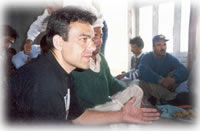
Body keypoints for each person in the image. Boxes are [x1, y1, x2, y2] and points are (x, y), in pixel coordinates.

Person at [8, 6, 160, 124]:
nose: (93, 47)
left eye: (93, 38)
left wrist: (121, 115)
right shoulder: (44, 83)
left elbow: (79, 117)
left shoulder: (64, 72)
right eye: (83, 39)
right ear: (58, 42)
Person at [71, 16, 158, 120]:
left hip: (106, 104)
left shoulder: (101, 58)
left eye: (101, 36)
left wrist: (130, 96)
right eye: (94, 37)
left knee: (136, 90)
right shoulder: (76, 62)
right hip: (90, 112)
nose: (99, 41)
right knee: (117, 107)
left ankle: (130, 121)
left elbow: (111, 83)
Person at [139, 34, 189, 105]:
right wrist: (160, 80)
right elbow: (142, 71)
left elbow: (184, 71)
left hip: (166, 87)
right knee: (143, 82)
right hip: (153, 86)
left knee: (175, 73)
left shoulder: (170, 58)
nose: (163, 47)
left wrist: (173, 79)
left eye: (164, 44)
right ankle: (171, 99)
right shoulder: (147, 57)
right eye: (159, 45)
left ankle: (158, 100)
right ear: (153, 47)